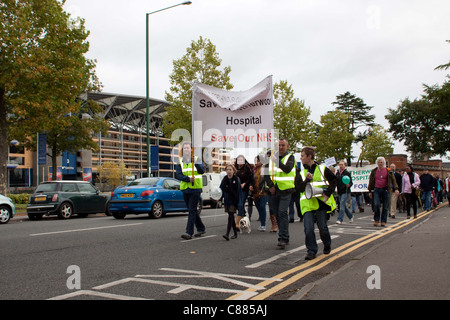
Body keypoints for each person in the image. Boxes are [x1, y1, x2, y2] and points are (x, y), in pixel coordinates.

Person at [296, 146, 336, 260]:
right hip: (307, 204)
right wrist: (307, 180)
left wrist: (328, 193)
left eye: (303, 156)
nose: (301, 158)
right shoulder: (301, 172)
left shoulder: (322, 169)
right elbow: (298, 188)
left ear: (309, 156)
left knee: (322, 228)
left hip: (320, 203)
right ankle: (311, 250)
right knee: (308, 228)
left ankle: (327, 243)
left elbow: (333, 180)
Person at [264, 138, 296, 249]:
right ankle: (282, 236)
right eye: (279, 145)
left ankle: (283, 238)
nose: (281, 147)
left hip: (285, 190)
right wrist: (271, 186)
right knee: (277, 214)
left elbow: (287, 169)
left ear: (287, 146)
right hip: (273, 191)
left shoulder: (290, 157)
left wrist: (276, 161)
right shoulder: (271, 158)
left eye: (283, 145)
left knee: (282, 212)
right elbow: (266, 174)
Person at [175, 142, 206, 240]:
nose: (186, 150)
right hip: (185, 188)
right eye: (185, 148)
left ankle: (189, 232)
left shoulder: (197, 159)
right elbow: (178, 175)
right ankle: (201, 228)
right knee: (191, 209)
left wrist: (195, 163)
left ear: (191, 150)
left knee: (192, 209)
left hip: (196, 188)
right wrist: (188, 179)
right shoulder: (180, 161)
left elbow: (202, 171)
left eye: (188, 148)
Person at [368, 157, 399, 227]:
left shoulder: (388, 171)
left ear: (384, 163)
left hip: (386, 189)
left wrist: (396, 189)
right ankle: (376, 219)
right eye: (379, 162)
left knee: (385, 206)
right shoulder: (374, 171)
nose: (380, 163)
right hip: (376, 189)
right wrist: (370, 190)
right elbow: (371, 181)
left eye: (381, 162)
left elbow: (394, 180)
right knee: (376, 204)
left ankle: (383, 221)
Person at [220, 164, 241, 241]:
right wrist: (219, 197)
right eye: (227, 170)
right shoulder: (225, 179)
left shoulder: (236, 179)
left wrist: (240, 202)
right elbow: (221, 189)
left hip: (234, 200)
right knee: (231, 216)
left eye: (230, 170)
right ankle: (235, 233)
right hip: (227, 200)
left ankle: (227, 234)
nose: (228, 171)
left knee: (230, 216)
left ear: (233, 171)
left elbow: (239, 191)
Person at [234, 155, 254, 229]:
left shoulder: (247, 168)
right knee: (238, 205)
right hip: (236, 190)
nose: (240, 162)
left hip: (243, 189)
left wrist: (244, 184)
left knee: (240, 204)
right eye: (238, 160)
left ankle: (237, 223)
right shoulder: (235, 169)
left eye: (241, 160)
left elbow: (250, 179)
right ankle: (243, 217)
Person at [249, 155, 268, 231]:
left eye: (258, 161)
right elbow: (251, 179)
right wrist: (250, 185)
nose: (256, 162)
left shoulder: (265, 168)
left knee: (262, 206)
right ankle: (262, 222)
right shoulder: (254, 170)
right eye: (256, 161)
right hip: (255, 192)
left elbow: (267, 179)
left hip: (263, 191)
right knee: (258, 206)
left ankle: (263, 224)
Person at [335, 160, 353, 224]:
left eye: (342, 165)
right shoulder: (337, 173)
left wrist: (349, 185)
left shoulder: (347, 173)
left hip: (345, 191)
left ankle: (340, 219)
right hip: (339, 191)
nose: (340, 166)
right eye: (339, 164)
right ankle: (350, 216)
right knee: (343, 205)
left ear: (344, 165)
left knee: (342, 204)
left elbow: (351, 182)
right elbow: (336, 182)